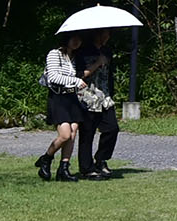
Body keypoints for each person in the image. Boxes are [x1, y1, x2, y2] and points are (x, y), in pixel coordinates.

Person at [34, 32, 87, 182]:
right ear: (67, 38)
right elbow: (53, 77)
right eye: (74, 38)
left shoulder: (75, 58)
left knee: (73, 132)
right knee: (64, 134)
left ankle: (64, 168)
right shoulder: (54, 54)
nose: (76, 42)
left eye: (79, 39)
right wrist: (76, 81)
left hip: (72, 97)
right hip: (58, 97)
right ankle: (46, 158)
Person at [74, 28, 120, 179]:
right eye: (104, 34)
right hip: (87, 96)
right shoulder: (83, 51)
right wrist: (97, 63)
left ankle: (101, 158)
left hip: (105, 96)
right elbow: (79, 75)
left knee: (112, 128)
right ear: (97, 34)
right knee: (87, 133)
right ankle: (86, 167)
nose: (107, 37)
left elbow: (109, 74)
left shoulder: (107, 51)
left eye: (108, 34)